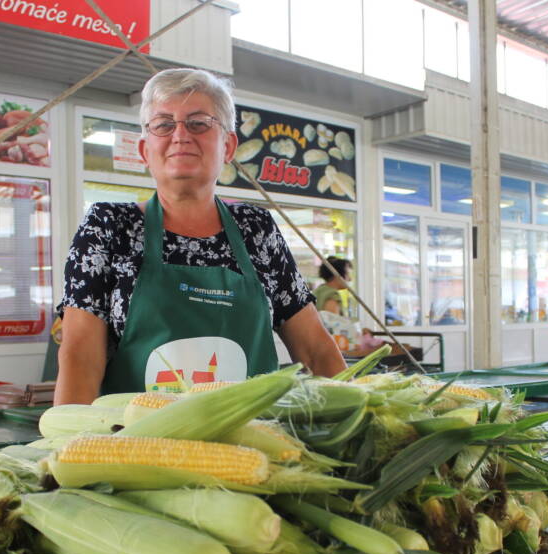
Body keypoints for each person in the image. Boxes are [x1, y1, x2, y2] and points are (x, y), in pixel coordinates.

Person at [55, 69, 345, 402]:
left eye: (199, 123)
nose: (180, 135)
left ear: (228, 145)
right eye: (163, 124)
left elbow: (315, 351)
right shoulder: (108, 226)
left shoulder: (257, 229)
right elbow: (80, 357)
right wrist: (71, 442)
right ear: (144, 150)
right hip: (137, 444)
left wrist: (352, 421)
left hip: (256, 443)